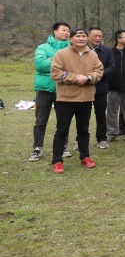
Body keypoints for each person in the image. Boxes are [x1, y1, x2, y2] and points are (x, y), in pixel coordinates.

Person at [49, 28, 104, 173]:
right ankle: (57, 160)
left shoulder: (93, 54)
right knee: (62, 130)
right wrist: (75, 78)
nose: (81, 38)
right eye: (78, 36)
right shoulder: (61, 54)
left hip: (86, 99)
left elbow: (99, 71)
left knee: (84, 130)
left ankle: (85, 157)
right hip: (65, 99)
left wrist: (88, 78)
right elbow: (55, 73)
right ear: (71, 39)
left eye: (84, 36)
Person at [29, 22, 72, 162]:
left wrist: (51, 61)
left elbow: (74, 66)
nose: (66, 33)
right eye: (63, 30)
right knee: (41, 120)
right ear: (55, 31)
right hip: (45, 89)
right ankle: (37, 148)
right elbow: (40, 65)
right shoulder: (43, 47)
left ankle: (63, 147)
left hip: (64, 88)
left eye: (68, 31)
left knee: (63, 120)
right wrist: (62, 63)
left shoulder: (71, 48)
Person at [87, 27, 115, 150]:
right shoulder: (81, 50)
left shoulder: (106, 50)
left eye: (100, 36)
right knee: (83, 115)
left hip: (101, 87)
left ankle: (102, 139)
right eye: (95, 36)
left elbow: (112, 66)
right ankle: (80, 139)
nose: (98, 38)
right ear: (88, 37)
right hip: (84, 87)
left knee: (101, 114)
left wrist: (98, 75)